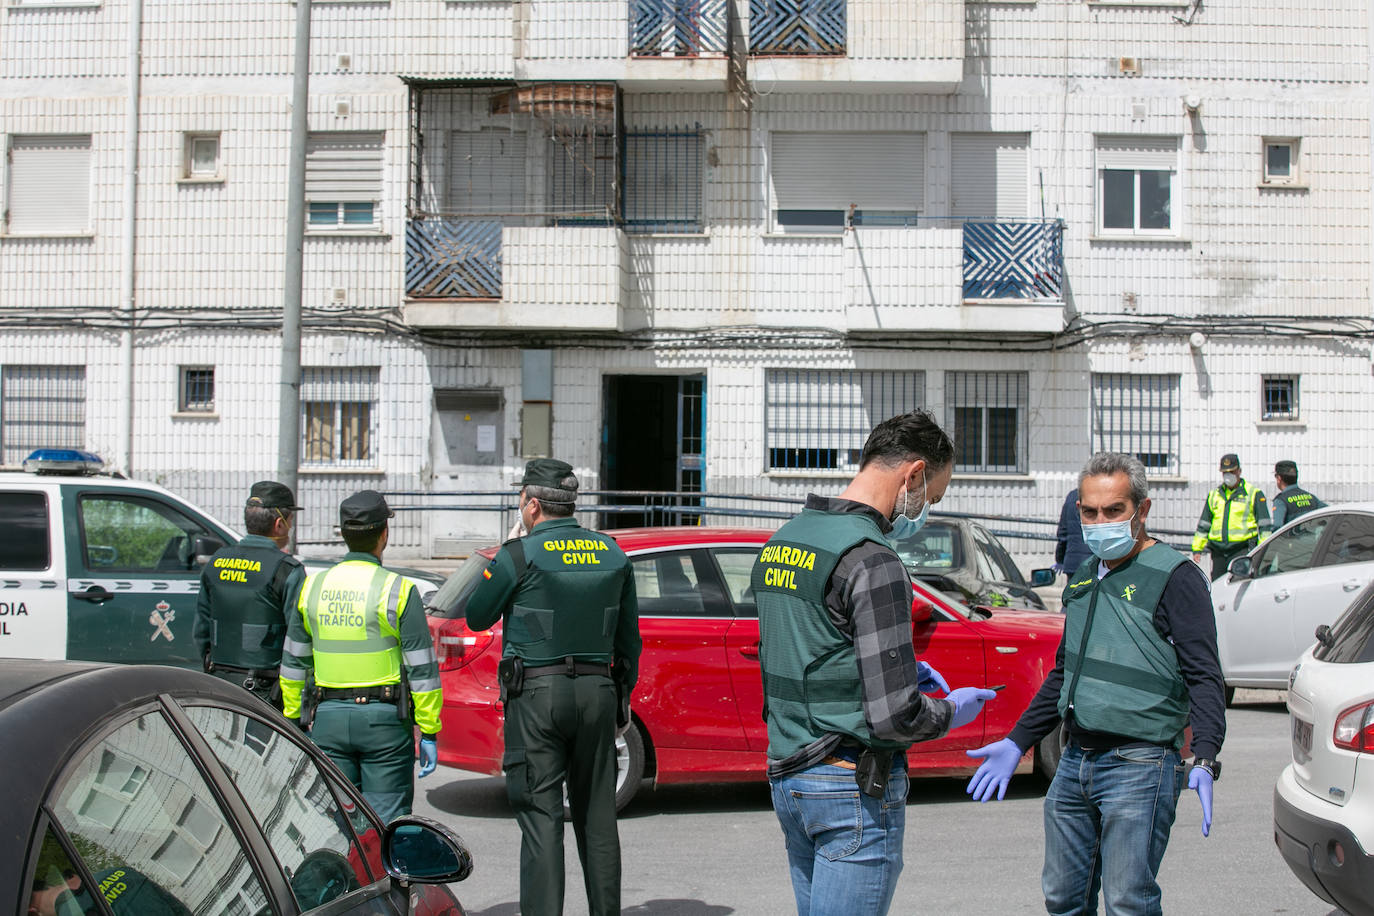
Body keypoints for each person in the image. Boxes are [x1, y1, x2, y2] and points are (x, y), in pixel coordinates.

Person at [753, 409, 996, 916]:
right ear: (912, 474)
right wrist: (951, 709)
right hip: (849, 785)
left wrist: (888, 668)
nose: (923, 509)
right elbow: (896, 717)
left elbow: (809, 649)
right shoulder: (872, 559)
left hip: (789, 774)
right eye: (931, 497)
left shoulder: (785, 540)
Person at [966, 452, 1226, 916]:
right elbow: (1066, 672)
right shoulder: (1084, 577)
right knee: (1063, 899)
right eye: (1089, 512)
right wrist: (1017, 740)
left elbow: (1204, 675)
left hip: (1141, 763)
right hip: (1075, 762)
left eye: (1113, 511)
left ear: (1141, 511)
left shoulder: (1176, 577)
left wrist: (1205, 755)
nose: (1099, 521)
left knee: (1128, 902)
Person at [465, 459, 641, 916]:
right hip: (598, 694)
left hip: (537, 698)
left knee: (542, 819)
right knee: (598, 817)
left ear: (532, 505)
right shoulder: (612, 552)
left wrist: (507, 552)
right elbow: (629, 641)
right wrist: (622, 698)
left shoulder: (519, 555)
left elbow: (477, 616)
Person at [279, 490, 442, 823]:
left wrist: (294, 717)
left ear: (344, 534)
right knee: (385, 826)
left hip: (328, 722)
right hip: (384, 724)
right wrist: (428, 730)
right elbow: (423, 669)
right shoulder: (397, 589)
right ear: (384, 534)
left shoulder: (313, 588)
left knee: (335, 825)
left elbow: (294, 662)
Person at [193, 480, 305, 707]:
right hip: (265, 690)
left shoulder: (216, 562)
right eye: (291, 520)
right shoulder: (287, 570)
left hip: (219, 683)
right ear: (279, 524)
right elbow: (297, 639)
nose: (291, 527)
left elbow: (201, 632)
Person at [1191, 452, 1271, 580]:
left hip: (1242, 548)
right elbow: (1204, 524)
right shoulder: (1214, 495)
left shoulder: (1252, 493)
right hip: (1218, 551)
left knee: (1239, 583)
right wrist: (1197, 548)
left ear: (1239, 471)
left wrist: (1262, 550)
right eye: (1225, 473)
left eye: (1232, 472)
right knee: (1218, 586)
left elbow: (1265, 526)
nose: (1228, 476)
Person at [1271, 459, 1326, 530]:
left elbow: (1277, 528)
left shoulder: (1280, 501)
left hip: (1292, 540)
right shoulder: (1311, 498)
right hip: (1314, 540)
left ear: (1279, 478)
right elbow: (1329, 514)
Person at [1054, 487, 1091, 580]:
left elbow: (1062, 533)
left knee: (1073, 593)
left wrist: (1060, 559)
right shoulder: (1104, 494)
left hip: (1073, 562)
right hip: (1096, 563)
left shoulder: (1072, 496)